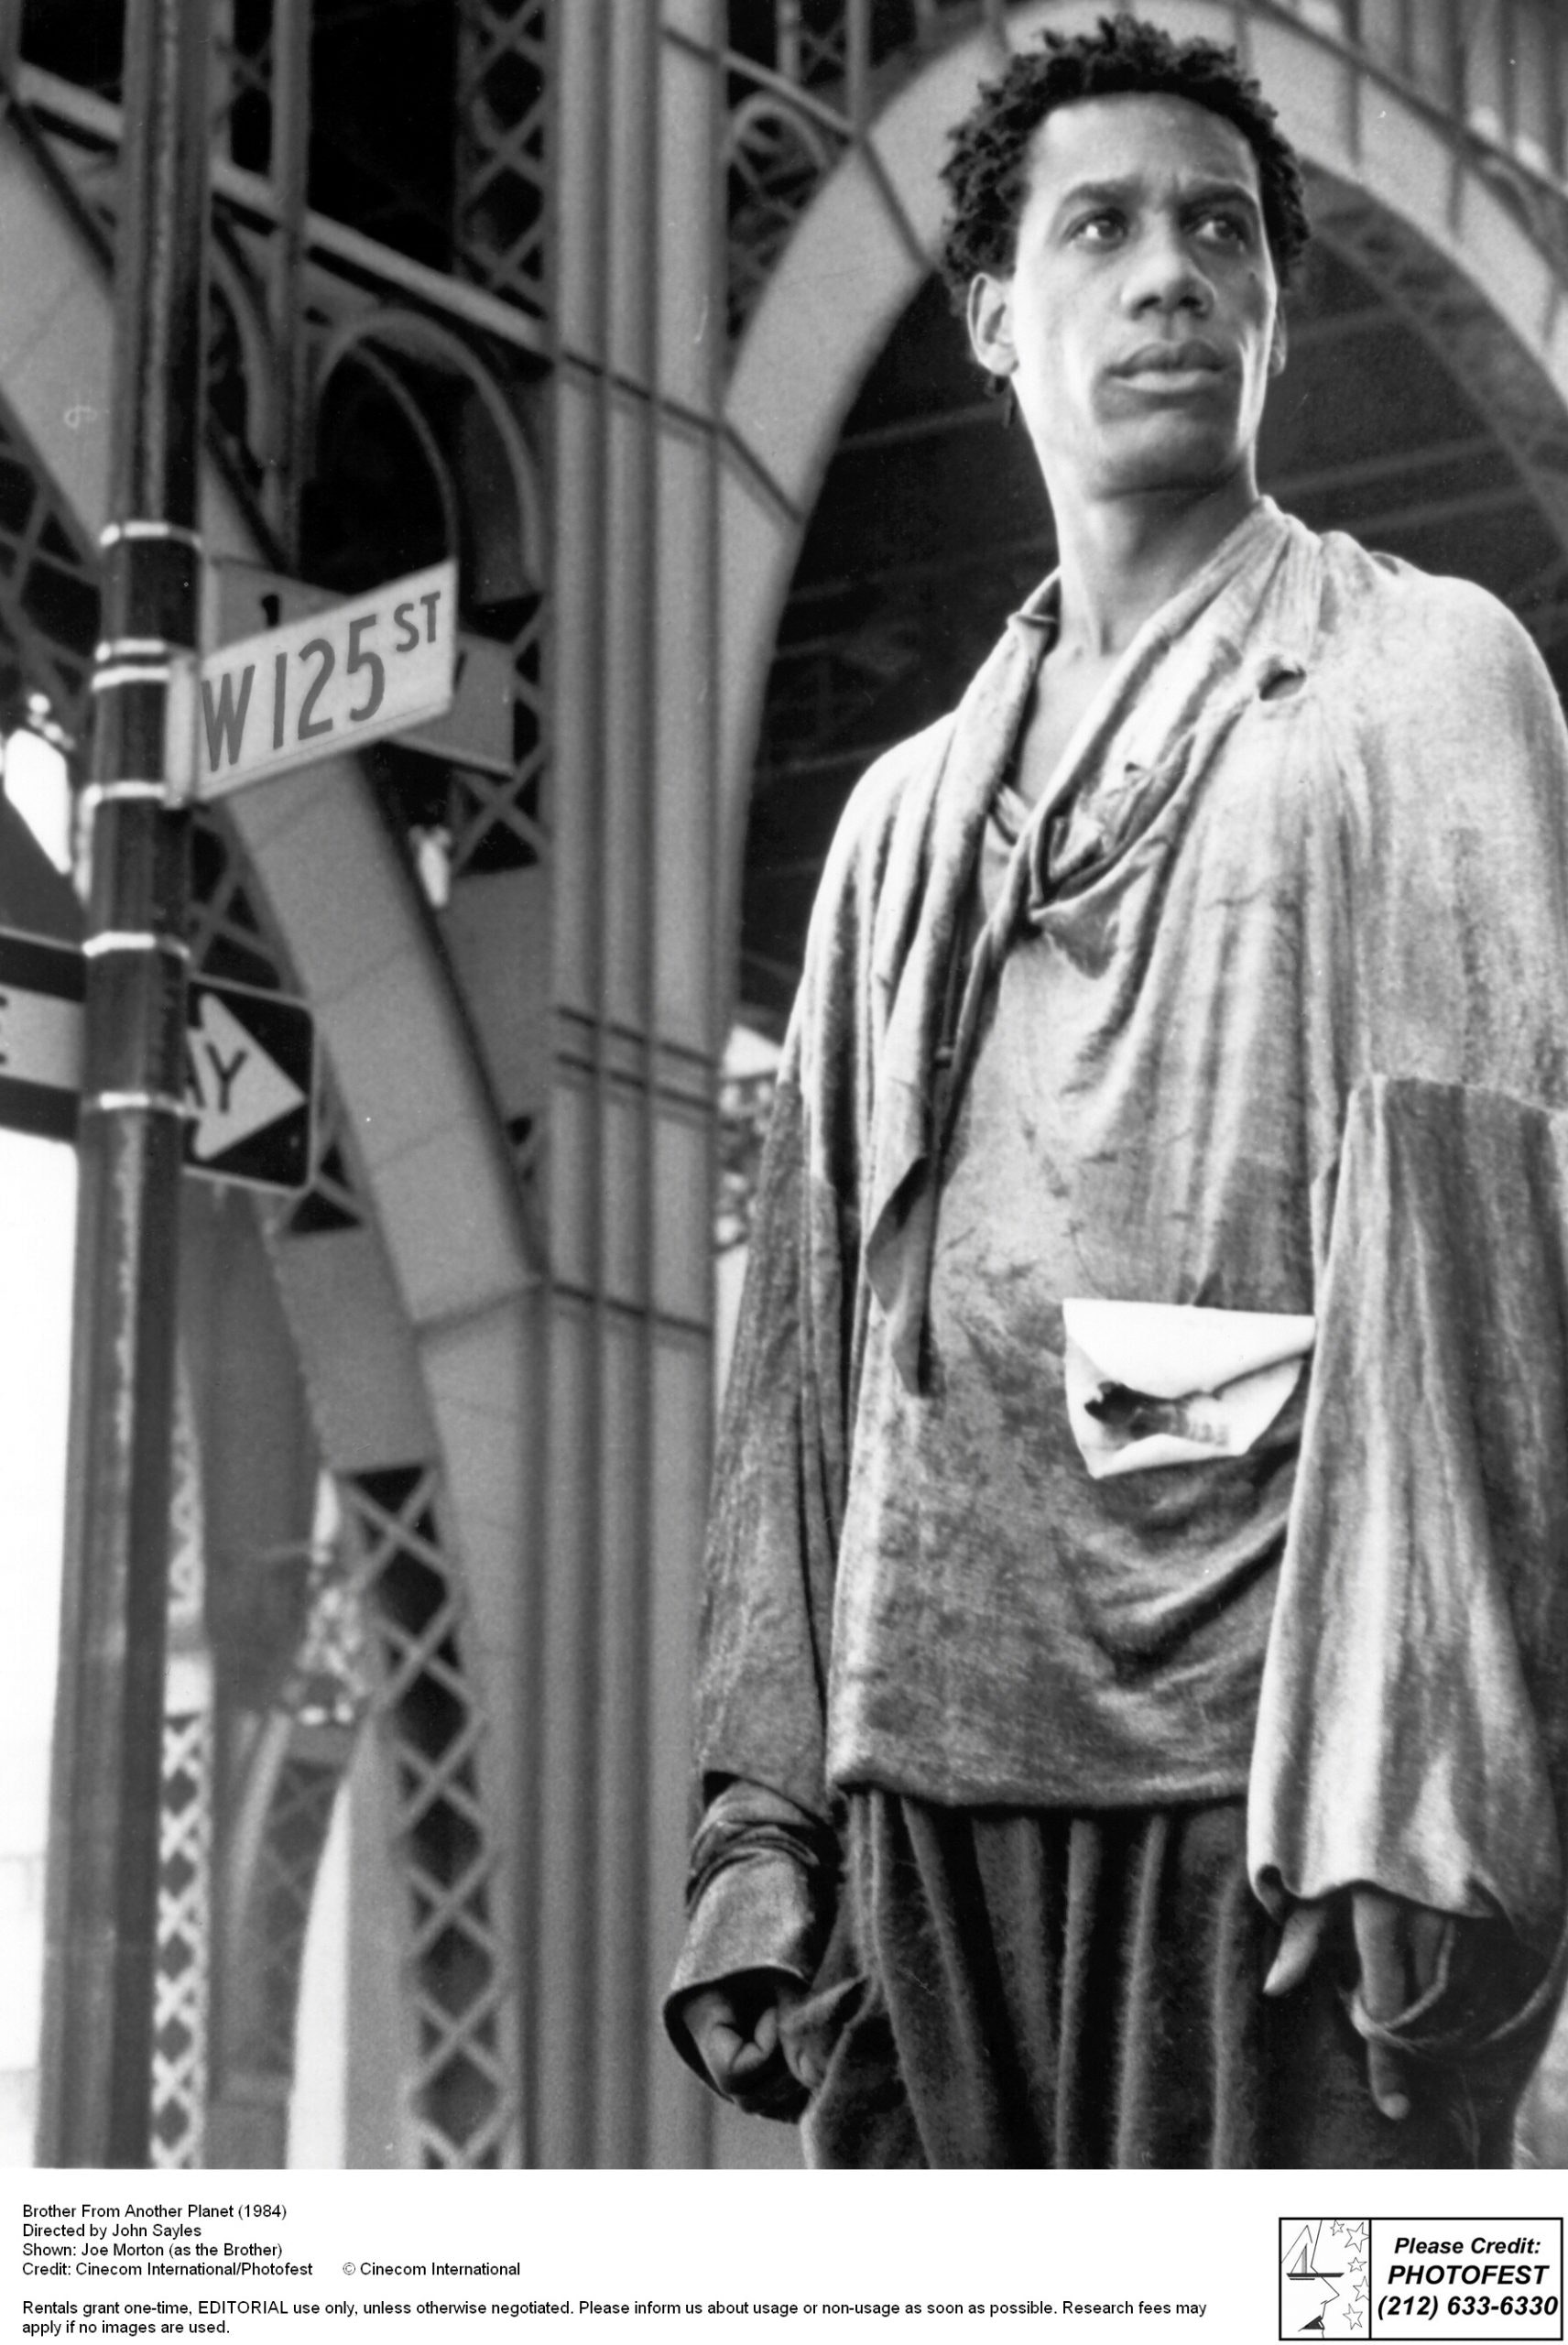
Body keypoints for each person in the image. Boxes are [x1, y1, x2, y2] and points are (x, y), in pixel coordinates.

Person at [665, 11, 1568, 2166]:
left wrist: (1419, 1772)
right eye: (1099, 228)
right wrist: (762, 1816)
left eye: (1219, 230)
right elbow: (811, 1338)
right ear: (992, 313)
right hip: (930, 1807)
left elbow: (1482, 1222)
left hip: (1255, 1786)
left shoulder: (1417, 673)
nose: (1169, 270)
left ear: (1270, 306)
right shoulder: (900, 823)